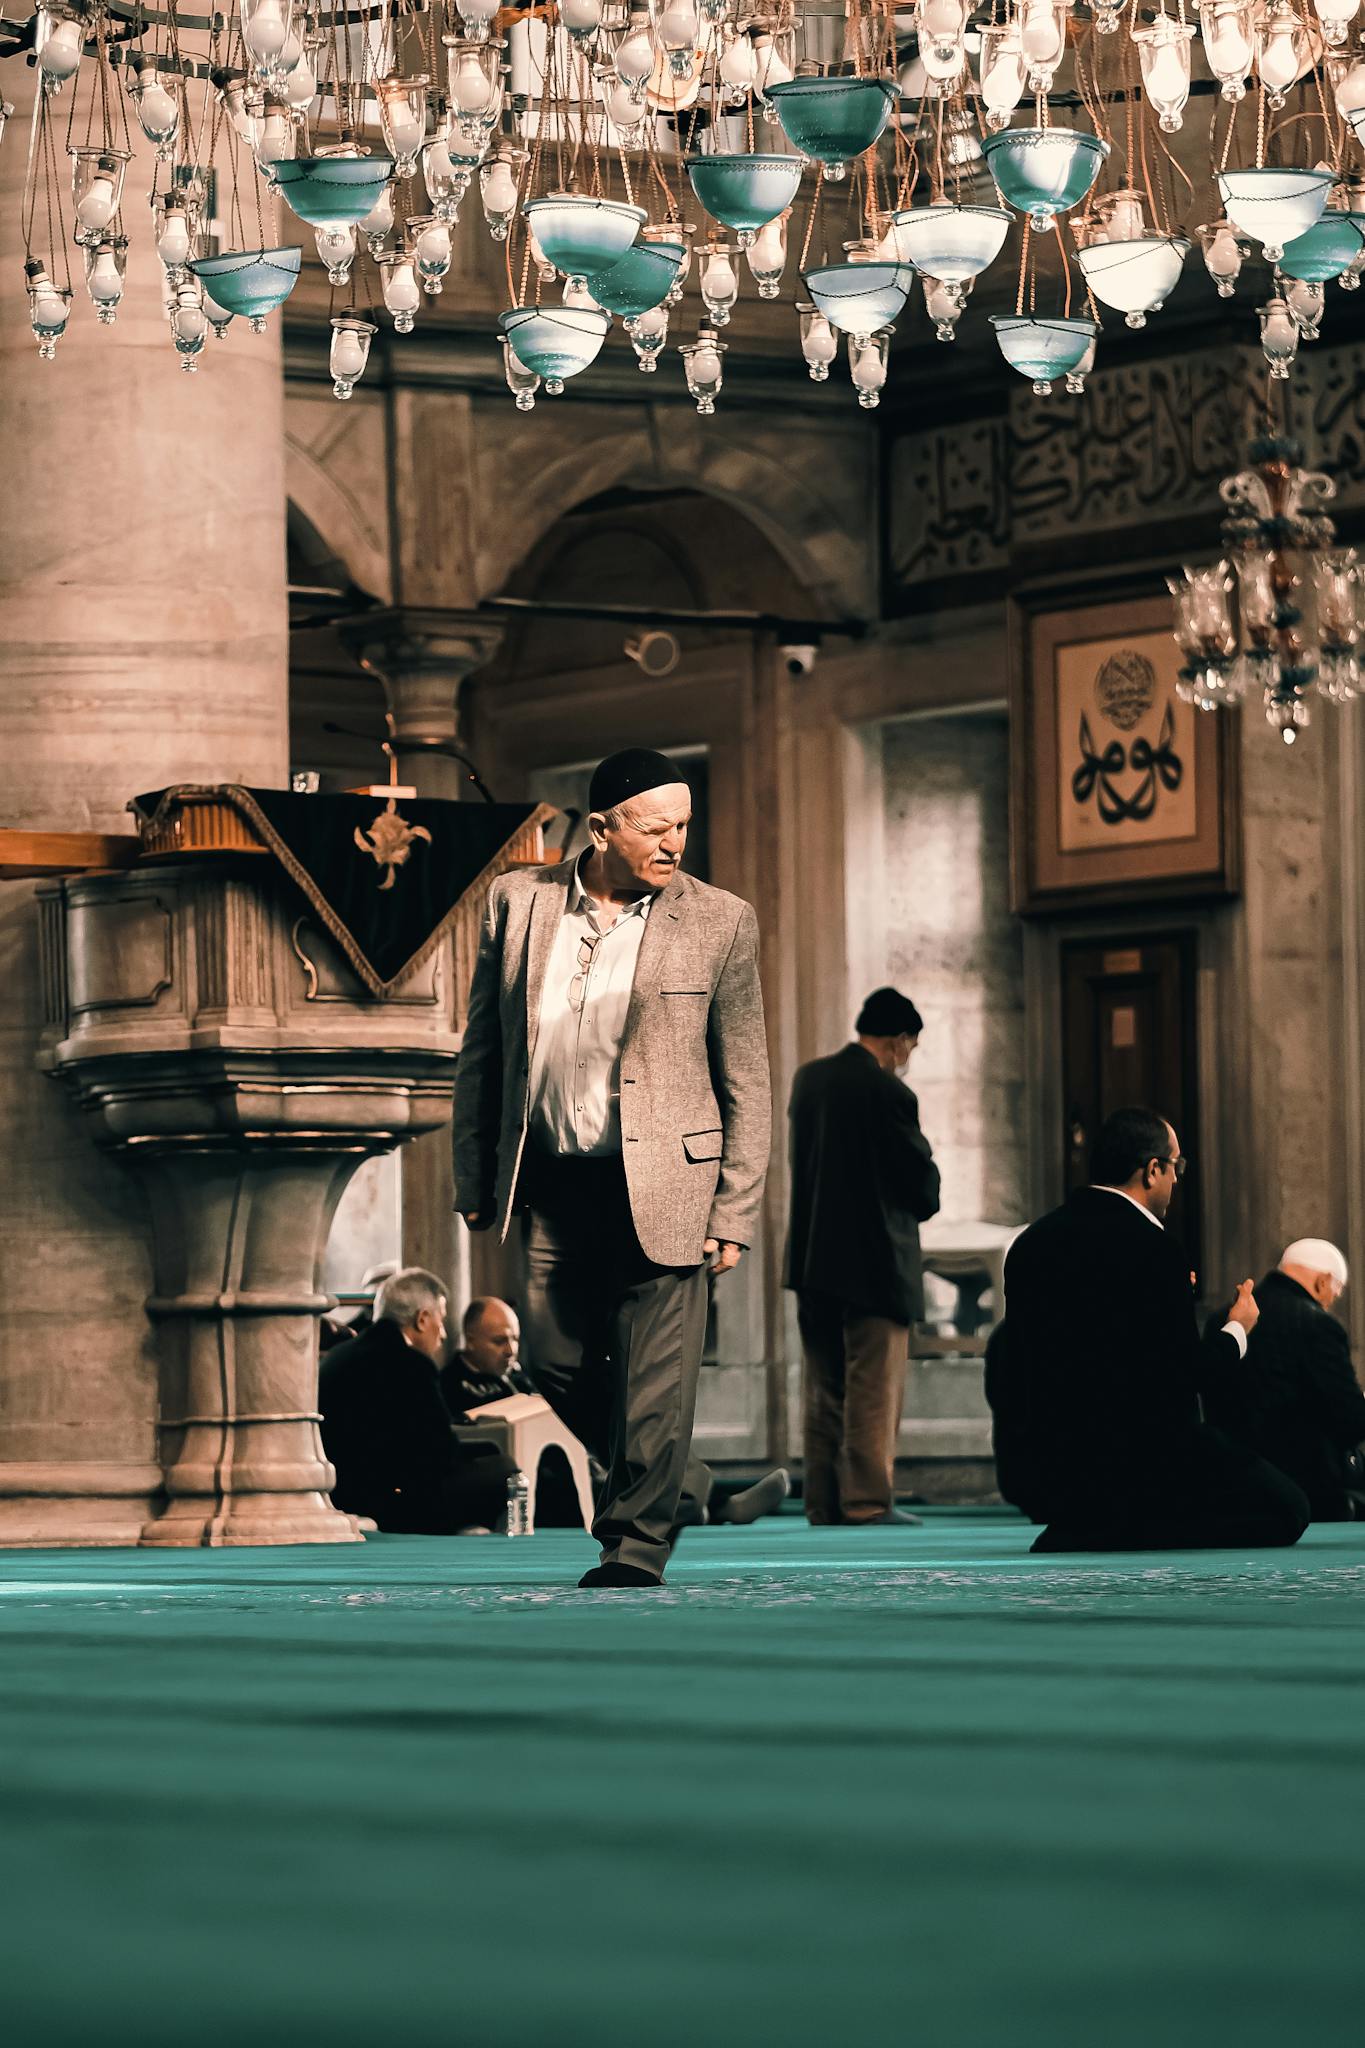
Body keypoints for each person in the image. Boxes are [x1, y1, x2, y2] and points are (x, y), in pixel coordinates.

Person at [452, 747, 771, 1589]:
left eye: (684, 828)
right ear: (601, 828)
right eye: (657, 828)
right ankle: (682, 1483)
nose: (676, 844)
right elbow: (483, 1051)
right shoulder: (518, 902)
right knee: (554, 1362)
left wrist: (732, 1209)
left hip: (669, 1182)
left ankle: (632, 1546)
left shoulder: (720, 921)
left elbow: (747, 1078)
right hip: (555, 1181)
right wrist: (472, 1176)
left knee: (655, 1382)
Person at [1002, 1106, 1309, 1552]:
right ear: (1152, 1170)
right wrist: (1237, 1329)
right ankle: (1119, 1530)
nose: (1177, 1180)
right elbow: (1187, 1377)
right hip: (1143, 1461)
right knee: (1288, 1510)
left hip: (1050, 1466)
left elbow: (1018, 1362)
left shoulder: (1031, 1244)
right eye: (1176, 1166)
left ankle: (1087, 1525)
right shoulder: (1154, 1249)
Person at [784, 987, 940, 1526]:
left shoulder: (810, 1081)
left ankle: (823, 1502)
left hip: (813, 1261)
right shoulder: (887, 1092)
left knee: (823, 1386)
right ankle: (868, 1502)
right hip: (875, 1264)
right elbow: (921, 1187)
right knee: (873, 1387)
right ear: (899, 1042)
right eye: (911, 1049)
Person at [319, 1267, 517, 1535]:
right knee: (503, 1468)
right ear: (422, 1319)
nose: (444, 1334)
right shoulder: (412, 1364)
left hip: (340, 1494)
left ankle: (466, 1528)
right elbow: (441, 1453)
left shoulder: (338, 1356)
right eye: (442, 1321)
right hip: (395, 1503)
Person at [1204, 1239, 1365, 1521]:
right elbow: (1350, 1420)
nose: (1329, 1303)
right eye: (1335, 1294)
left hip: (1234, 1486)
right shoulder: (1317, 1324)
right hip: (1309, 1493)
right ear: (1323, 1282)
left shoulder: (1223, 1320)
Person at [438, 1297, 536, 1417]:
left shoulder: (520, 1375)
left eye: (515, 1339)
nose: (511, 1351)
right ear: (470, 1341)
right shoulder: (450, 1388)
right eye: (499, 1341)